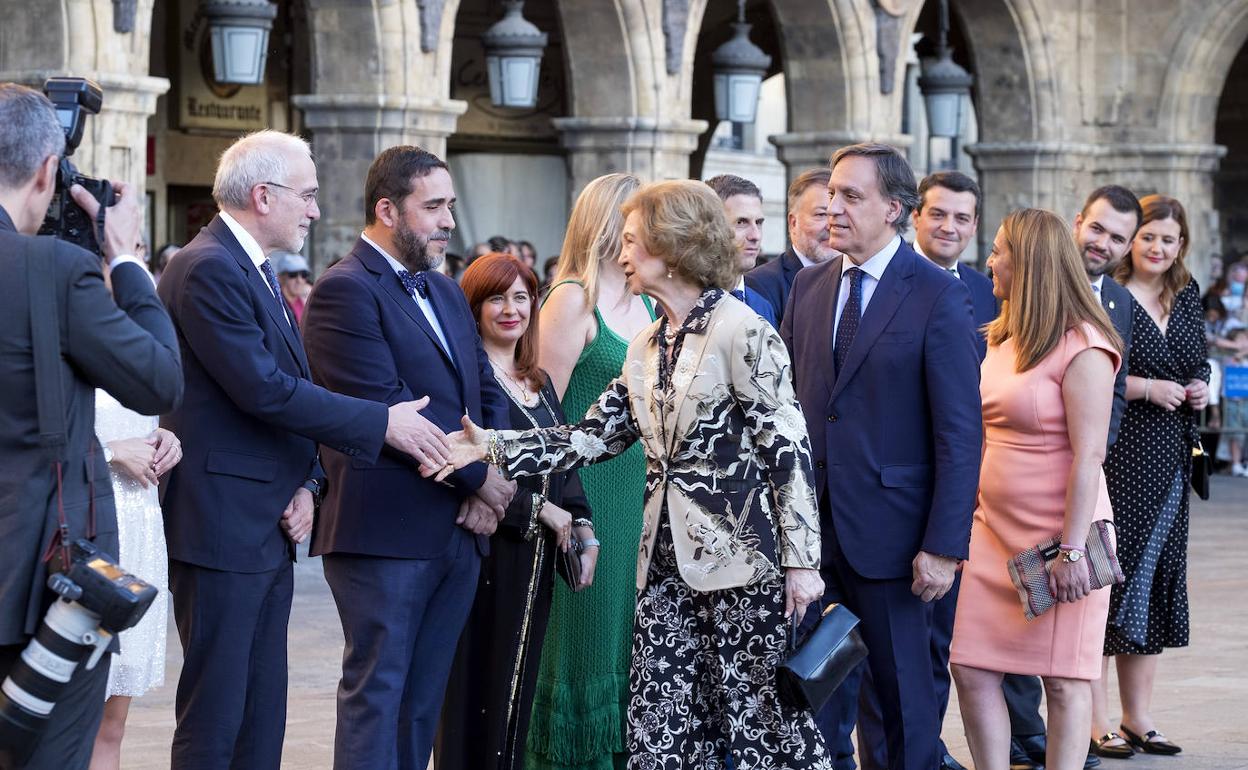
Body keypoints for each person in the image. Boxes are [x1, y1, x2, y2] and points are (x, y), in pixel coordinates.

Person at [436, 179, 829, 769]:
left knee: (761, 729)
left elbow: (789, 450)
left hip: (742, 565)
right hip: (660, 566)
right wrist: (488, 446)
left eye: (632, 242)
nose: (621, 255)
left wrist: (802, 563)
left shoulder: (741, 330)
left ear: (672, 247)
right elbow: (591, 435)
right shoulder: (648, 341)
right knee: (662, 726)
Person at [157, 130, 452, 770]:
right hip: (219, 525)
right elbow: (262, 390)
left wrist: (308, 483)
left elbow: (287, 394)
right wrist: (381, 423)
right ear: (263, 196)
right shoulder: (207, 267)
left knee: (261, 716)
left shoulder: (251, 270)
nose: (316, 210)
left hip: (263, 520)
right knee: (216, 717)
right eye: (308, 195)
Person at [299, 145, 514, 769]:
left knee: (423, 704)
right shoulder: (343, 291)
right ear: (387, 209)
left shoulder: (447, 291)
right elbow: (392, 414)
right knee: (378, 696)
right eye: (434, 207)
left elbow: (485, 393)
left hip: (455, 532)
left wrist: (492, 473)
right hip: (384, 534)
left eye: (451, 205)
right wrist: (484, 486)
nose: (449, 220)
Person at [780, 143, 982, 770]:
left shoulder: (934, 294)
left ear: (895, 208)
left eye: (850, 196)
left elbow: (959, 433)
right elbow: (790, 414)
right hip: (813, 539)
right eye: (831, 195)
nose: (831, 208)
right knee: (807, 701)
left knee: (901, 710)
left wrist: (945, 547)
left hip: (898, 544)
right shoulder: (810, 287)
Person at [0, 81, 183, 770]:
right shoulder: (52, 268)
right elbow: (159, 377)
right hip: (34, 586)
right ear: (48, 170)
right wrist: (127, 258)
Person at [950, 208, 1123, 770]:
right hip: (992, 533)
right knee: (971, 667)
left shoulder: (1085, 344)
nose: (989, 260)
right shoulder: (1003, 337)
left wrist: (1072, 550)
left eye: (999, 250)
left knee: (1065, 680)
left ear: (1029, 263)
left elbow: (1089, 454)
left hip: (1057, 539)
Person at [437, 253, 598, 770]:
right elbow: (470, 467)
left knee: (517, 692)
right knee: (474, 693)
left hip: (535, 569)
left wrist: (581, 524)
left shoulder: (538, 380)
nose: (511, 310)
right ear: (474, 308)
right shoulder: (468, 380)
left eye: (522, 297)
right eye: (496, 298)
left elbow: (562, 457)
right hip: (485, 558)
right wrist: (541, 512)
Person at [1009, 184, 1142, 770]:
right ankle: (1023, 742)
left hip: (1082, 485)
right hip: (1009, 502)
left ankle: (1067, 744)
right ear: (1076, 223)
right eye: (1098, 230)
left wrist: (1088, 452)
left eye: (1118, 238)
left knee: (1068, 650)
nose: (1104, 244)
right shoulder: (1010, 303)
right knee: (1002, 649)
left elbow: (1106, 401)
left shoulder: (1117, 304)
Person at [530, 172, 655, 770]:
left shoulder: (653, 303)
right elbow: (543, 411)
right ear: (610, 223)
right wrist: (562, 510)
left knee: (631, 635)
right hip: (588, 491)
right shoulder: (571, 299)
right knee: (587, 633)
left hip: (642, 493)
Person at [1094, 195, 1210, 759]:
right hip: (1122, 453)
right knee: (1111, 583)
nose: (1159, 248)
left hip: (1171, 460)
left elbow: (1199, 358)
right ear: (1130, 242)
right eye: (1149, 237)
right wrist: (1145, 388)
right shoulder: (1109, 297)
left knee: (1153, 585)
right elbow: (1093, 368)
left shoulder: (1185, 296)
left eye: (1170, 239)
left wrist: (1200, 385)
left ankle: (1138, 717)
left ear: (1181, 246)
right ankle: (1095, 722)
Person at [88, 397, 182, 770]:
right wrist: (109, 453)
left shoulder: (134, 346)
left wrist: (163, 437)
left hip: (138, 532)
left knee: (112, 727)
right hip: (84, 532)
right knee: (54, 721)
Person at [746, 167, 839, 327]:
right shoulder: (761, 285)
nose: (831, 225)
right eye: (821, 215)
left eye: (837, 215)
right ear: (793, 223)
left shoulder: (855, 280)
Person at [705, 173, 778, 326]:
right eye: (741, 222)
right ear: (710, 227)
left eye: (758, 223)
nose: (755, 235)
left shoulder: (763, 307)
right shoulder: (684, 303)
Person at [272, 250, 312, 325]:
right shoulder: (275, 304)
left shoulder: (305, 301)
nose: (299, 280)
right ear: (280, 277)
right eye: (293, 275)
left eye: (304, 275)